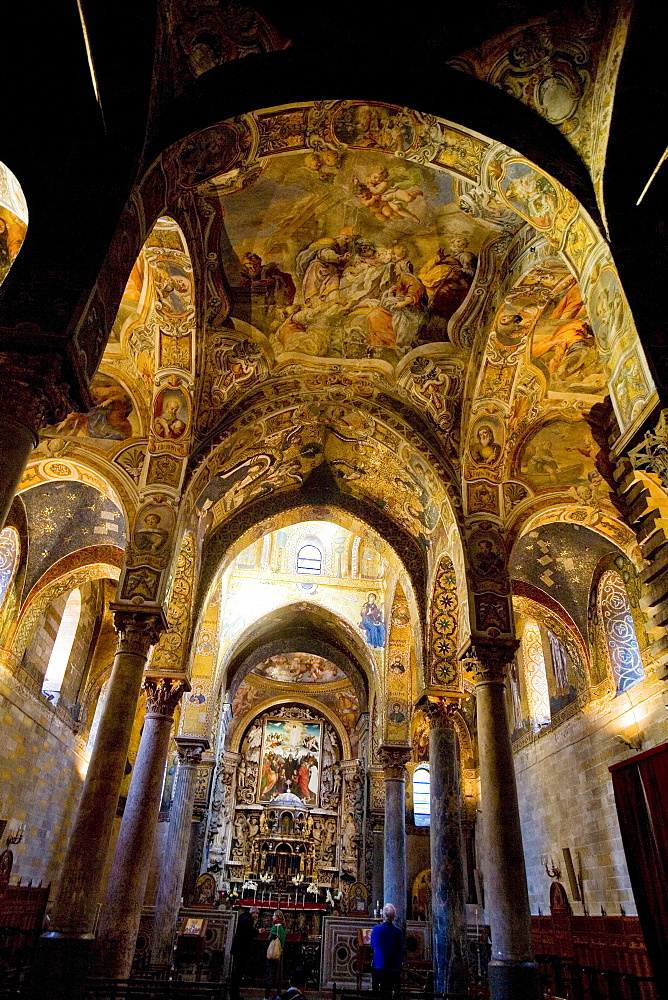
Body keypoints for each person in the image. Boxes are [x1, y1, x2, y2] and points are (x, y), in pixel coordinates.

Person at [370, 903, 403, 994]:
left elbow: (372, 945)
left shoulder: (376, 929)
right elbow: (400, 948)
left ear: (383, 916)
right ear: (394, 916)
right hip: (393, 967)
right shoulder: (398, 931)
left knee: (377, 993)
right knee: (390, 993)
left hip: (379, 965)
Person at [230, 906, 259, 1000]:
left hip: (239, 950)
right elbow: (248, 934)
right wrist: (257, 931)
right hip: (241, 950)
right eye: (256, 913)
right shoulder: (248, 920)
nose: (257, 916)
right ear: (252, 913)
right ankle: (234, 995)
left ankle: (234, 993)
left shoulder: (244, 918)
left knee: (237, 972)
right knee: (238, 972)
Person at [264, 909, 287, 999]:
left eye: (273, 915)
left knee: (270, 973)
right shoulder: (282, 928)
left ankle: (267, 995)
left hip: (272, 954)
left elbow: (269, 938)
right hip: (280, 953)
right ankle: (278, 994)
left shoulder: (275, 928)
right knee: (278, 975)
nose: (272, 917)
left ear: (277, 917)